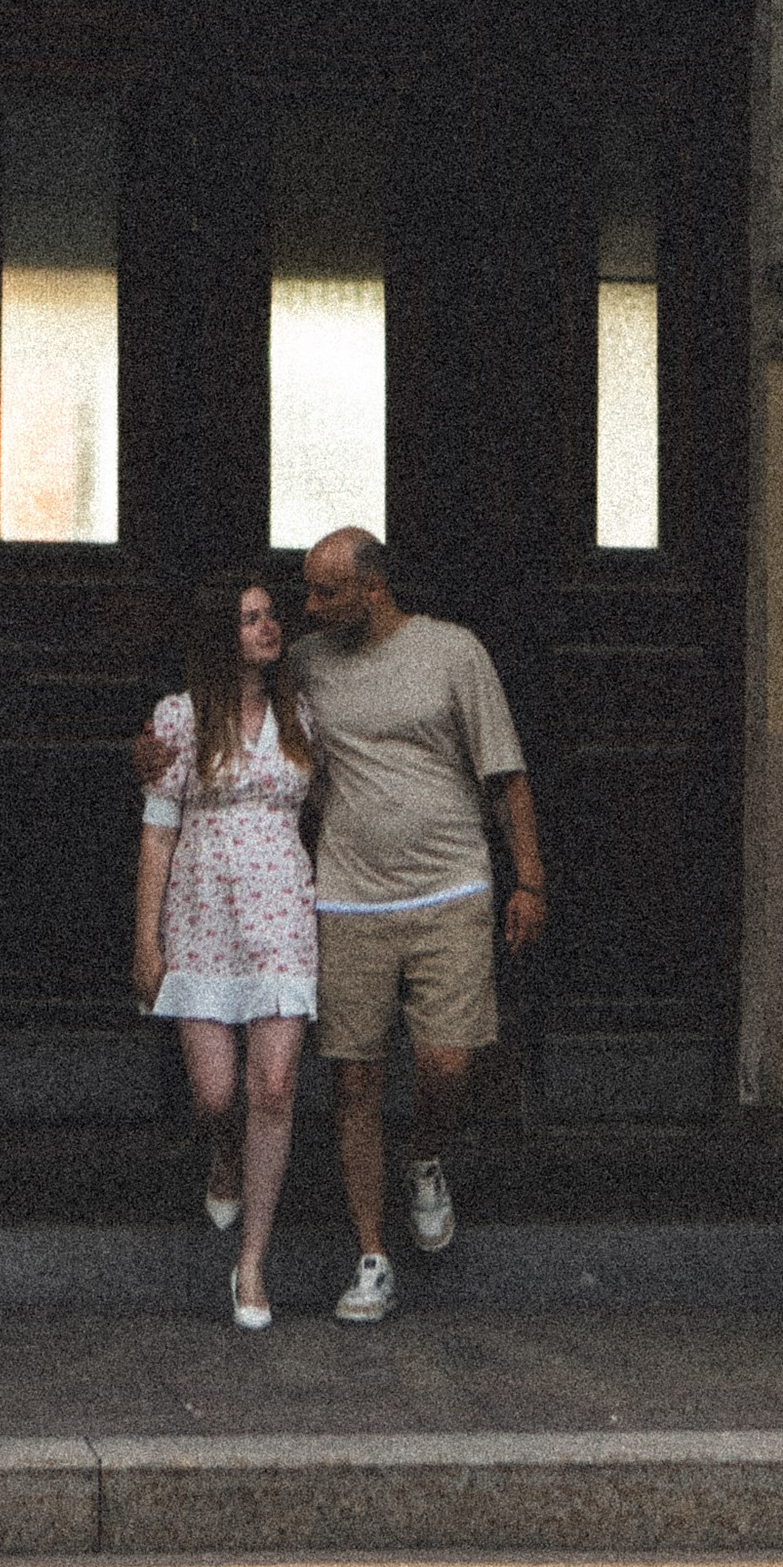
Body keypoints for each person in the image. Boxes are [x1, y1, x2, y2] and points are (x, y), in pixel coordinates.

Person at [288, 527, 547, 1323]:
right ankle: (372, 1256)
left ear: (373, 588)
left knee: (448, 1063)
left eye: (326, 592)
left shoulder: (452, 652)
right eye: (308, 590)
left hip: (450, 886)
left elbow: (505, 775)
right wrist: (152, 754)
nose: (311, 606)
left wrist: (529, 880)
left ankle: (425, 1155)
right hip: (348, 895)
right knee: (355, 1077)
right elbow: (228, 720)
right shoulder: (304, 662)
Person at [131, 575, 319, 1331]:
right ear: (221, 635)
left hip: (281, 916)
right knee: (217, 1096)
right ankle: (224, 1154)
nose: (269, 627)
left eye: (271, 615)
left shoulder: (300, 714)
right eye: (250, 620)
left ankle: (251, 1264)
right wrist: (147, 940)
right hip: (203, 913)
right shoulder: (179, 717)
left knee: (272, 1088)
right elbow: (158, 830)